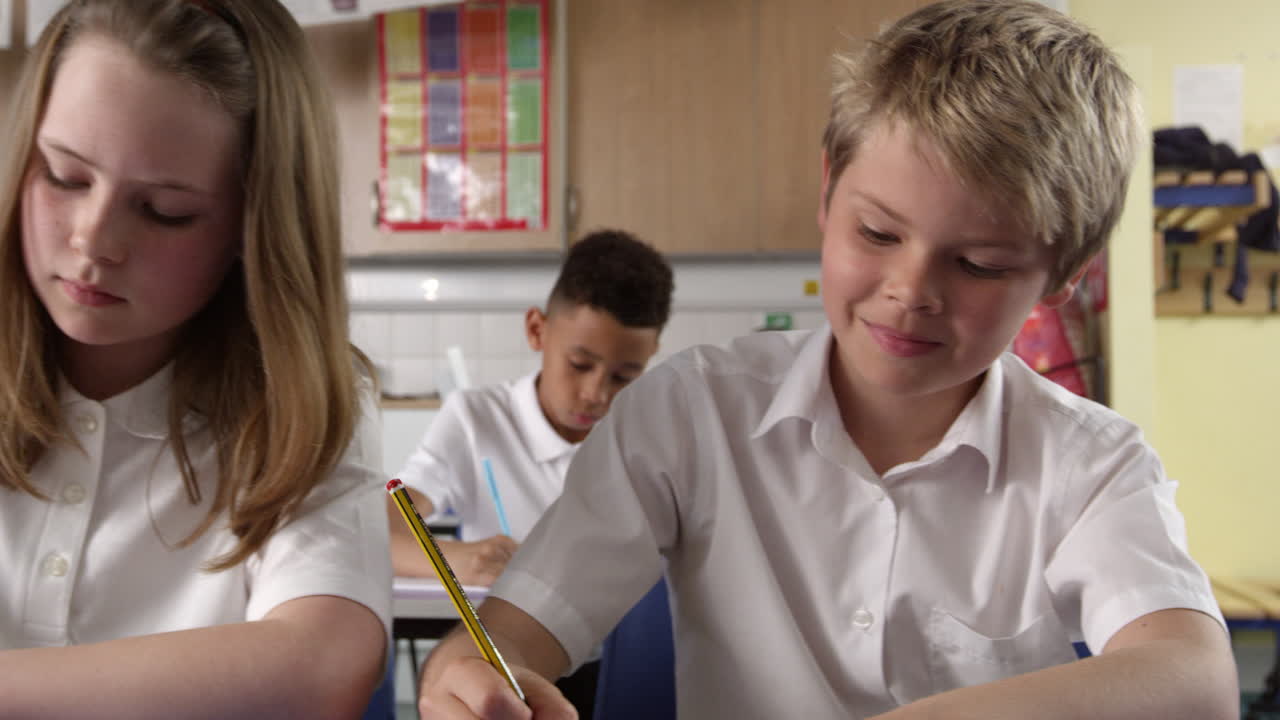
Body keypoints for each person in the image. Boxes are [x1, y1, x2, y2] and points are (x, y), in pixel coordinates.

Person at [417, 2, 1240, 719]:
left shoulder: (1089, 463)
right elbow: (516, 633)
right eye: (877, 233)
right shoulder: (691, 414)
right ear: (826, 191)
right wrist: (467, 674)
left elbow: (1194, 682)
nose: (910, 291)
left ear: (1062, 275)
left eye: (980, 264)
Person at [0, 1, 391, 717]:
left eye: (163, 211)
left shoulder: (298, 402)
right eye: (64, 176)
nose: (94, 241)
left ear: (252, 226)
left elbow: (324, 664)